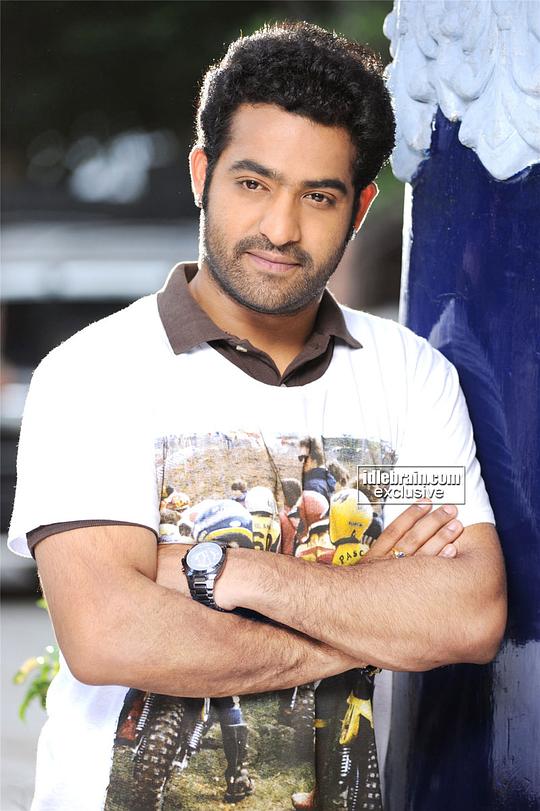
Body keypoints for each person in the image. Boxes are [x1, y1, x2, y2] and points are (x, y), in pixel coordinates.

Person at [8, 21, 506, 811]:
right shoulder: (93, 374)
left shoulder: (412, 379)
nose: (280, 228)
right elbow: (109, 633)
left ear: (360, 206)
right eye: (253, 183)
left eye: (319, 196)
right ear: (201, 172)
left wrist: (218, 570)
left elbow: (466, 612)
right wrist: (366, 611)